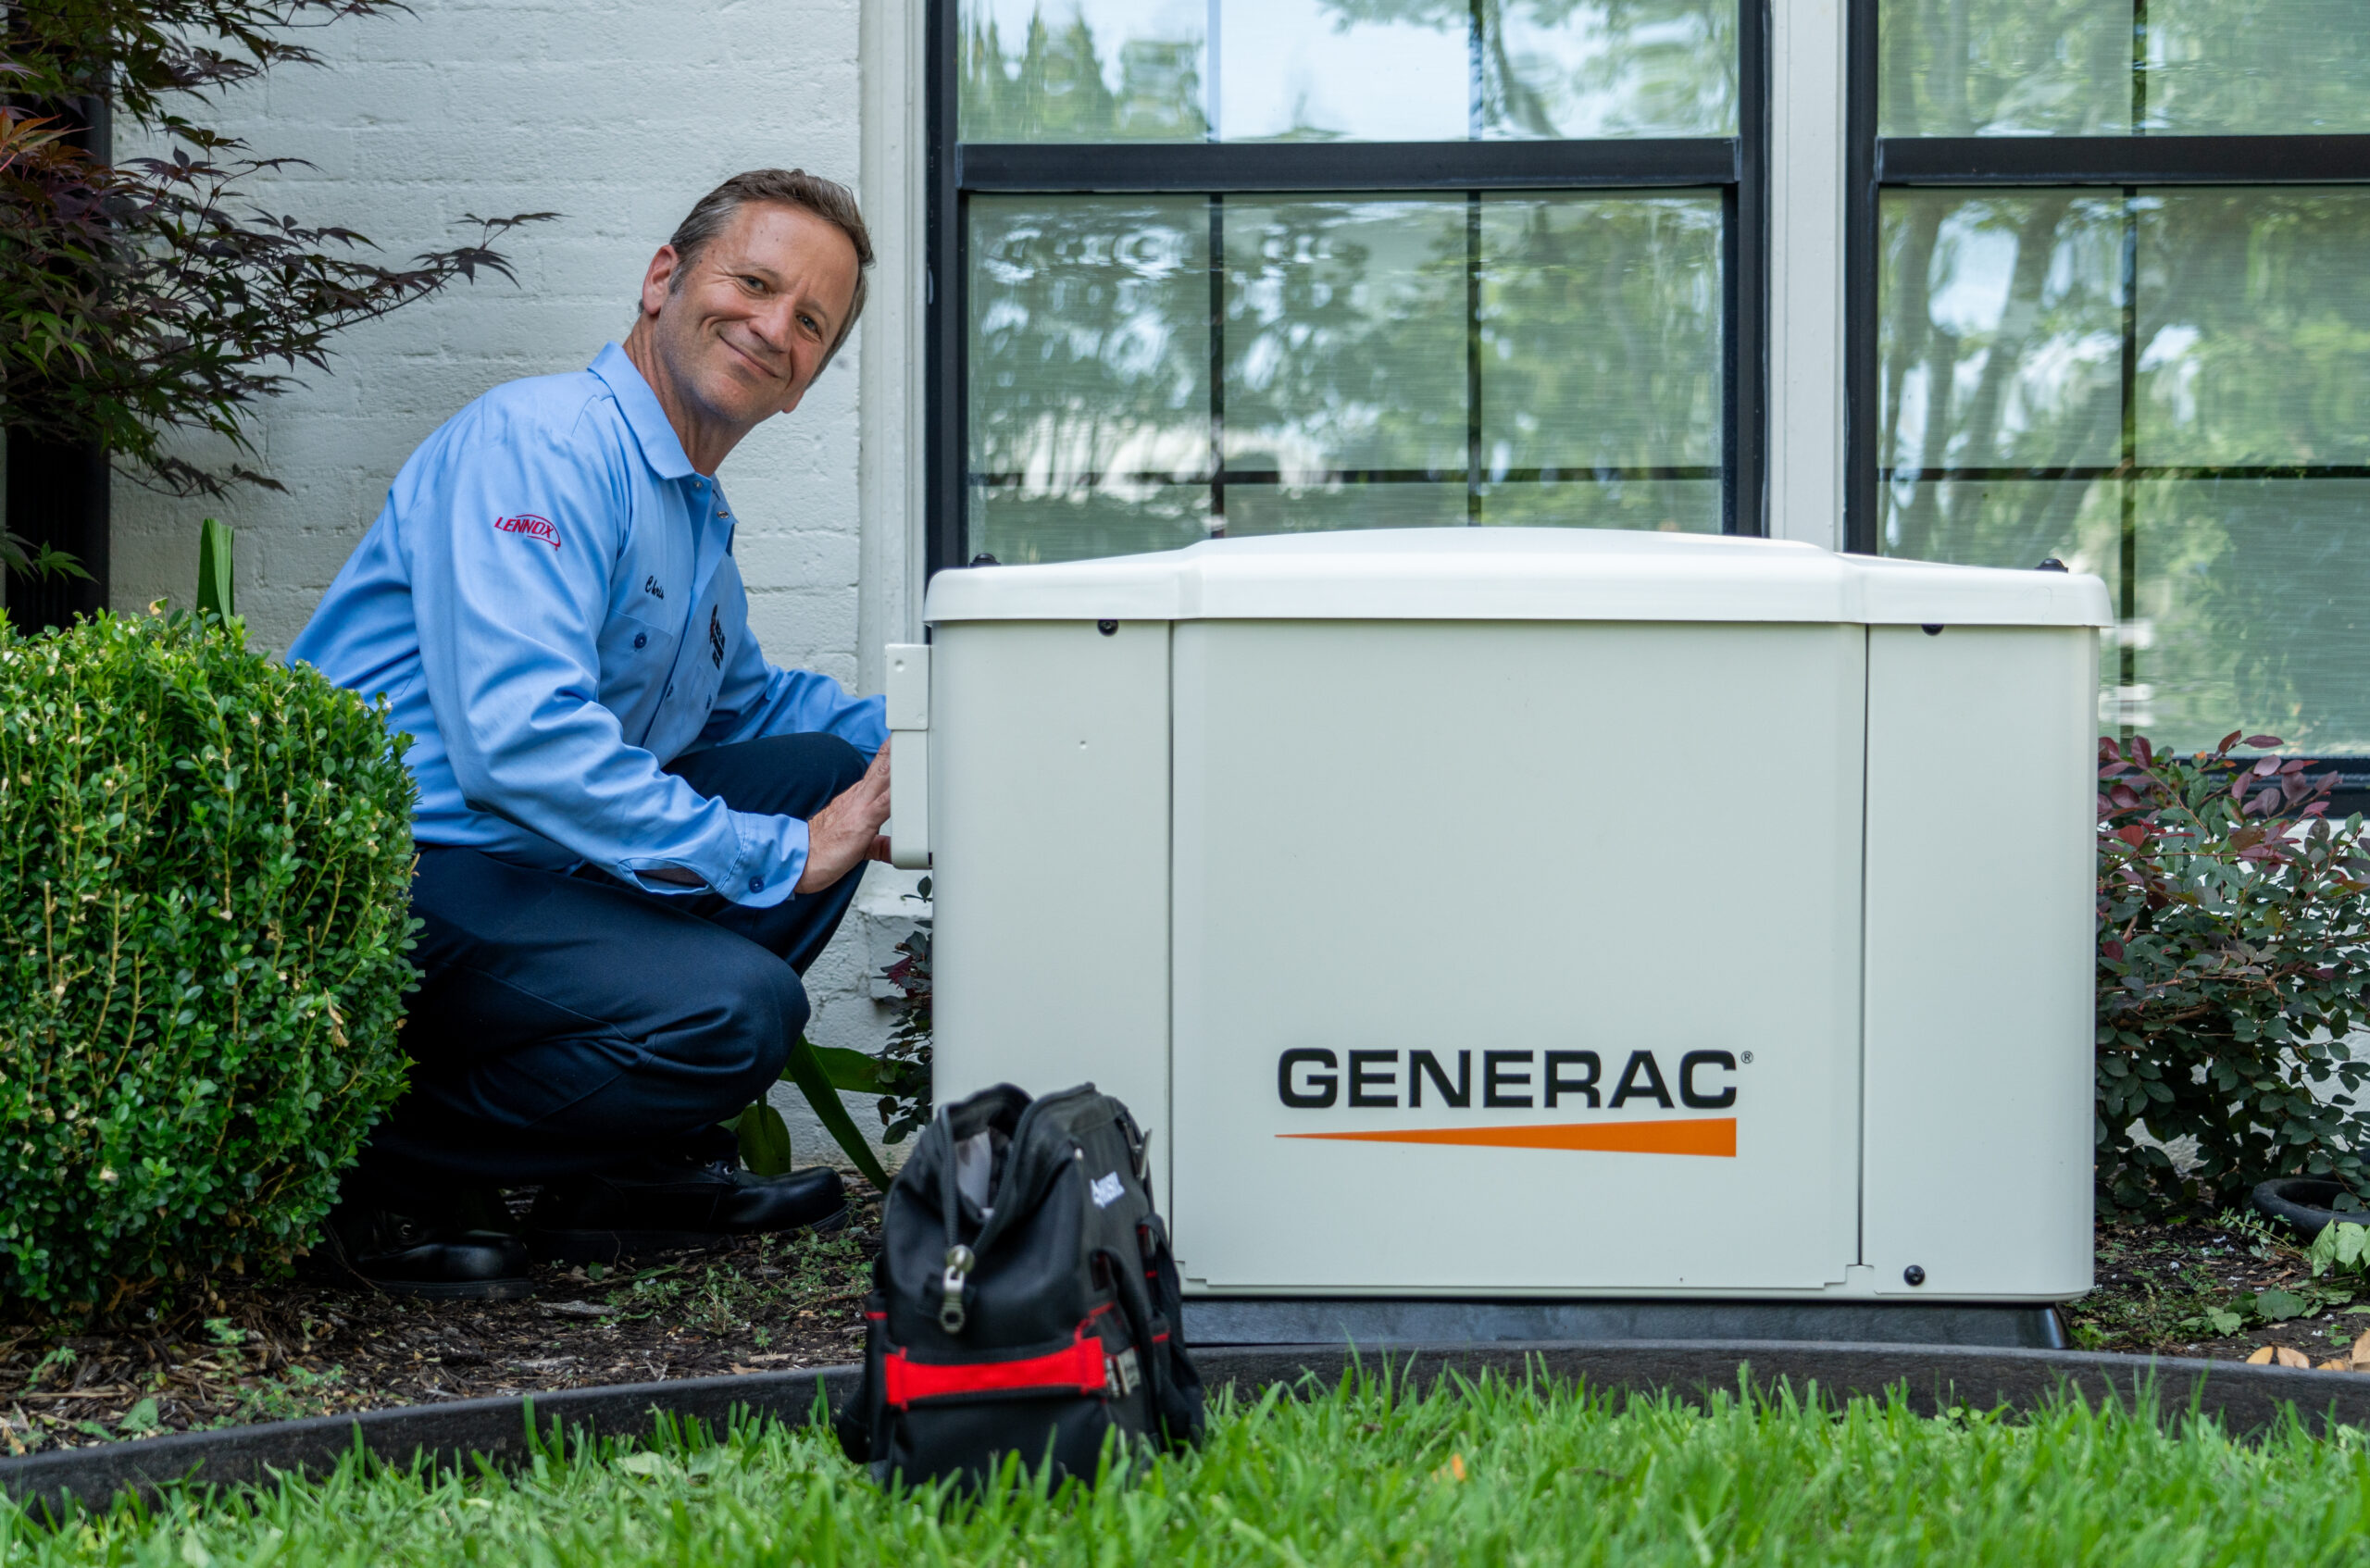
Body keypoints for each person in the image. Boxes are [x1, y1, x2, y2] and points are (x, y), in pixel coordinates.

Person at [287, 169, 890, 1299]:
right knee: (735, 1012)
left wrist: (956, 732)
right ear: (664, 279)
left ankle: (616, 1177)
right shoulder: (545, 445)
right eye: (752, 284)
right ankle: (354, 1162)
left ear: (807, 380)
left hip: (517, 876)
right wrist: (785, 853)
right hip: (388, 881)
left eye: (809, 320)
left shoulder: (691, 514)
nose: (772, 327)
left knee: (829, 767)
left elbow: (754, 714)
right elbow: (520, 745)